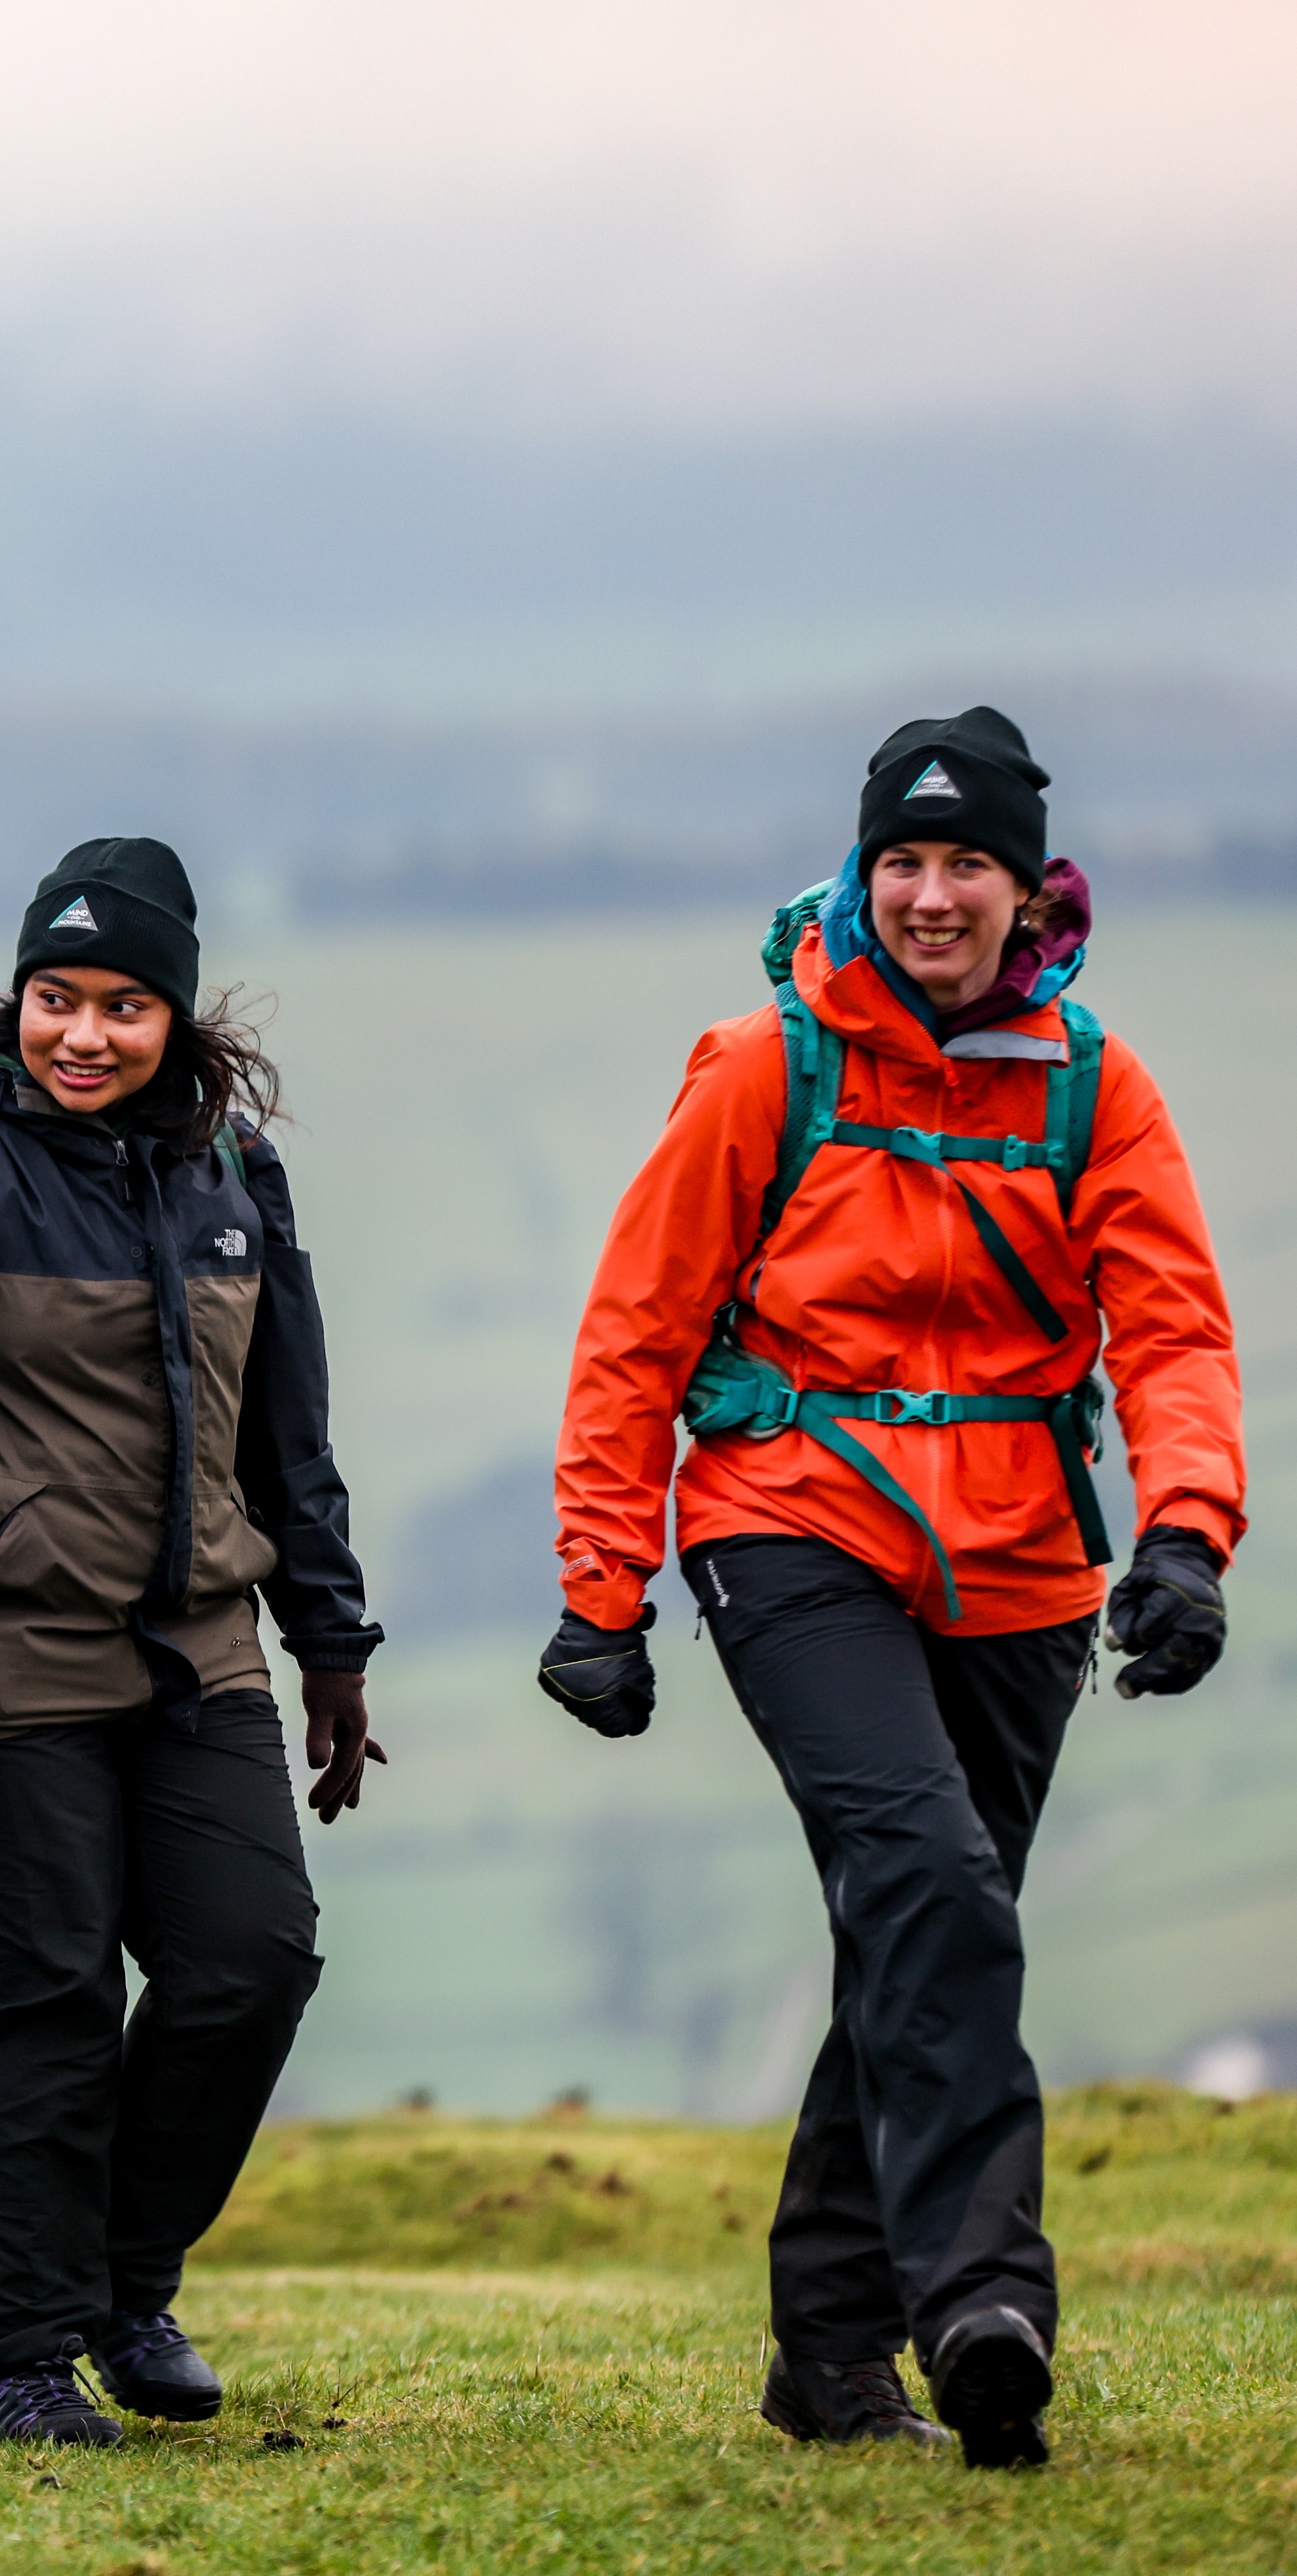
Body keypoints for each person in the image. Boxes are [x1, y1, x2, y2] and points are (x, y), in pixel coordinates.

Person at [545, 708, 1243, 2471]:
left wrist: (1182, 1530)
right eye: (902, 863)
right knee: (930, 1882)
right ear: (863, 875)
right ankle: (980, 2301)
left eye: (965, 866)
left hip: (1018, 1554)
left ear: (1027, 891)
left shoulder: (1095, 1084)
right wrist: (599, 1582)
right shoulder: (762, 1066)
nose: (930, 896)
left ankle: (824, 2349)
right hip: (791, 1523)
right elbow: (636, 1328)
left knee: (921, 1930)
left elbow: (1170, 1327)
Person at [0, 836, 385, 2450]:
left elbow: (291, 1436)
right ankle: (12, 2354)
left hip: (195, 1651)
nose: (81, 1034)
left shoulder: (232, 1179)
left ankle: (125, 2286)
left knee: (248, 1963)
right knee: (44, 1991)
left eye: (121, 1005)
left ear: (174, 1017)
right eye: (55, 999)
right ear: (16, 1000)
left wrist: (328, 1644)